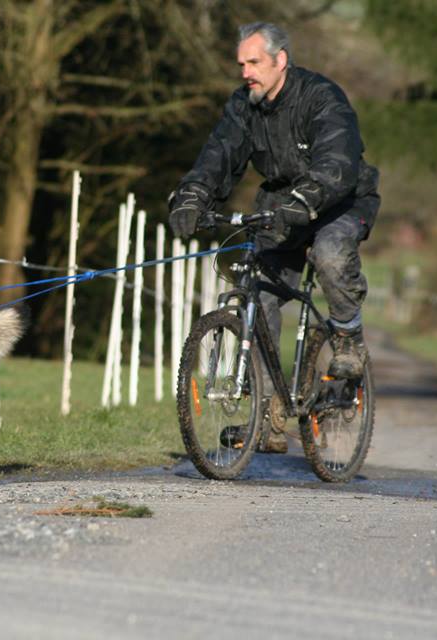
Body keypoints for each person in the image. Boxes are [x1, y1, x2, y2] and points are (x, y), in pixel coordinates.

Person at [168, 22, 380, 453]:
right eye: (241, 64)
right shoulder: (243, 106)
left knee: (329, 252)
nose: (246, 71)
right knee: (255, 290)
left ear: (280, 60)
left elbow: (338, 162)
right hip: (282, 204)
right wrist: (191, 197)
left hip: (340, 201)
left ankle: (347, 338)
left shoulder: (322, 98)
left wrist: (307, 198)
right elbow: (217, 156)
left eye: (254, 62)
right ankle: (268, 416)